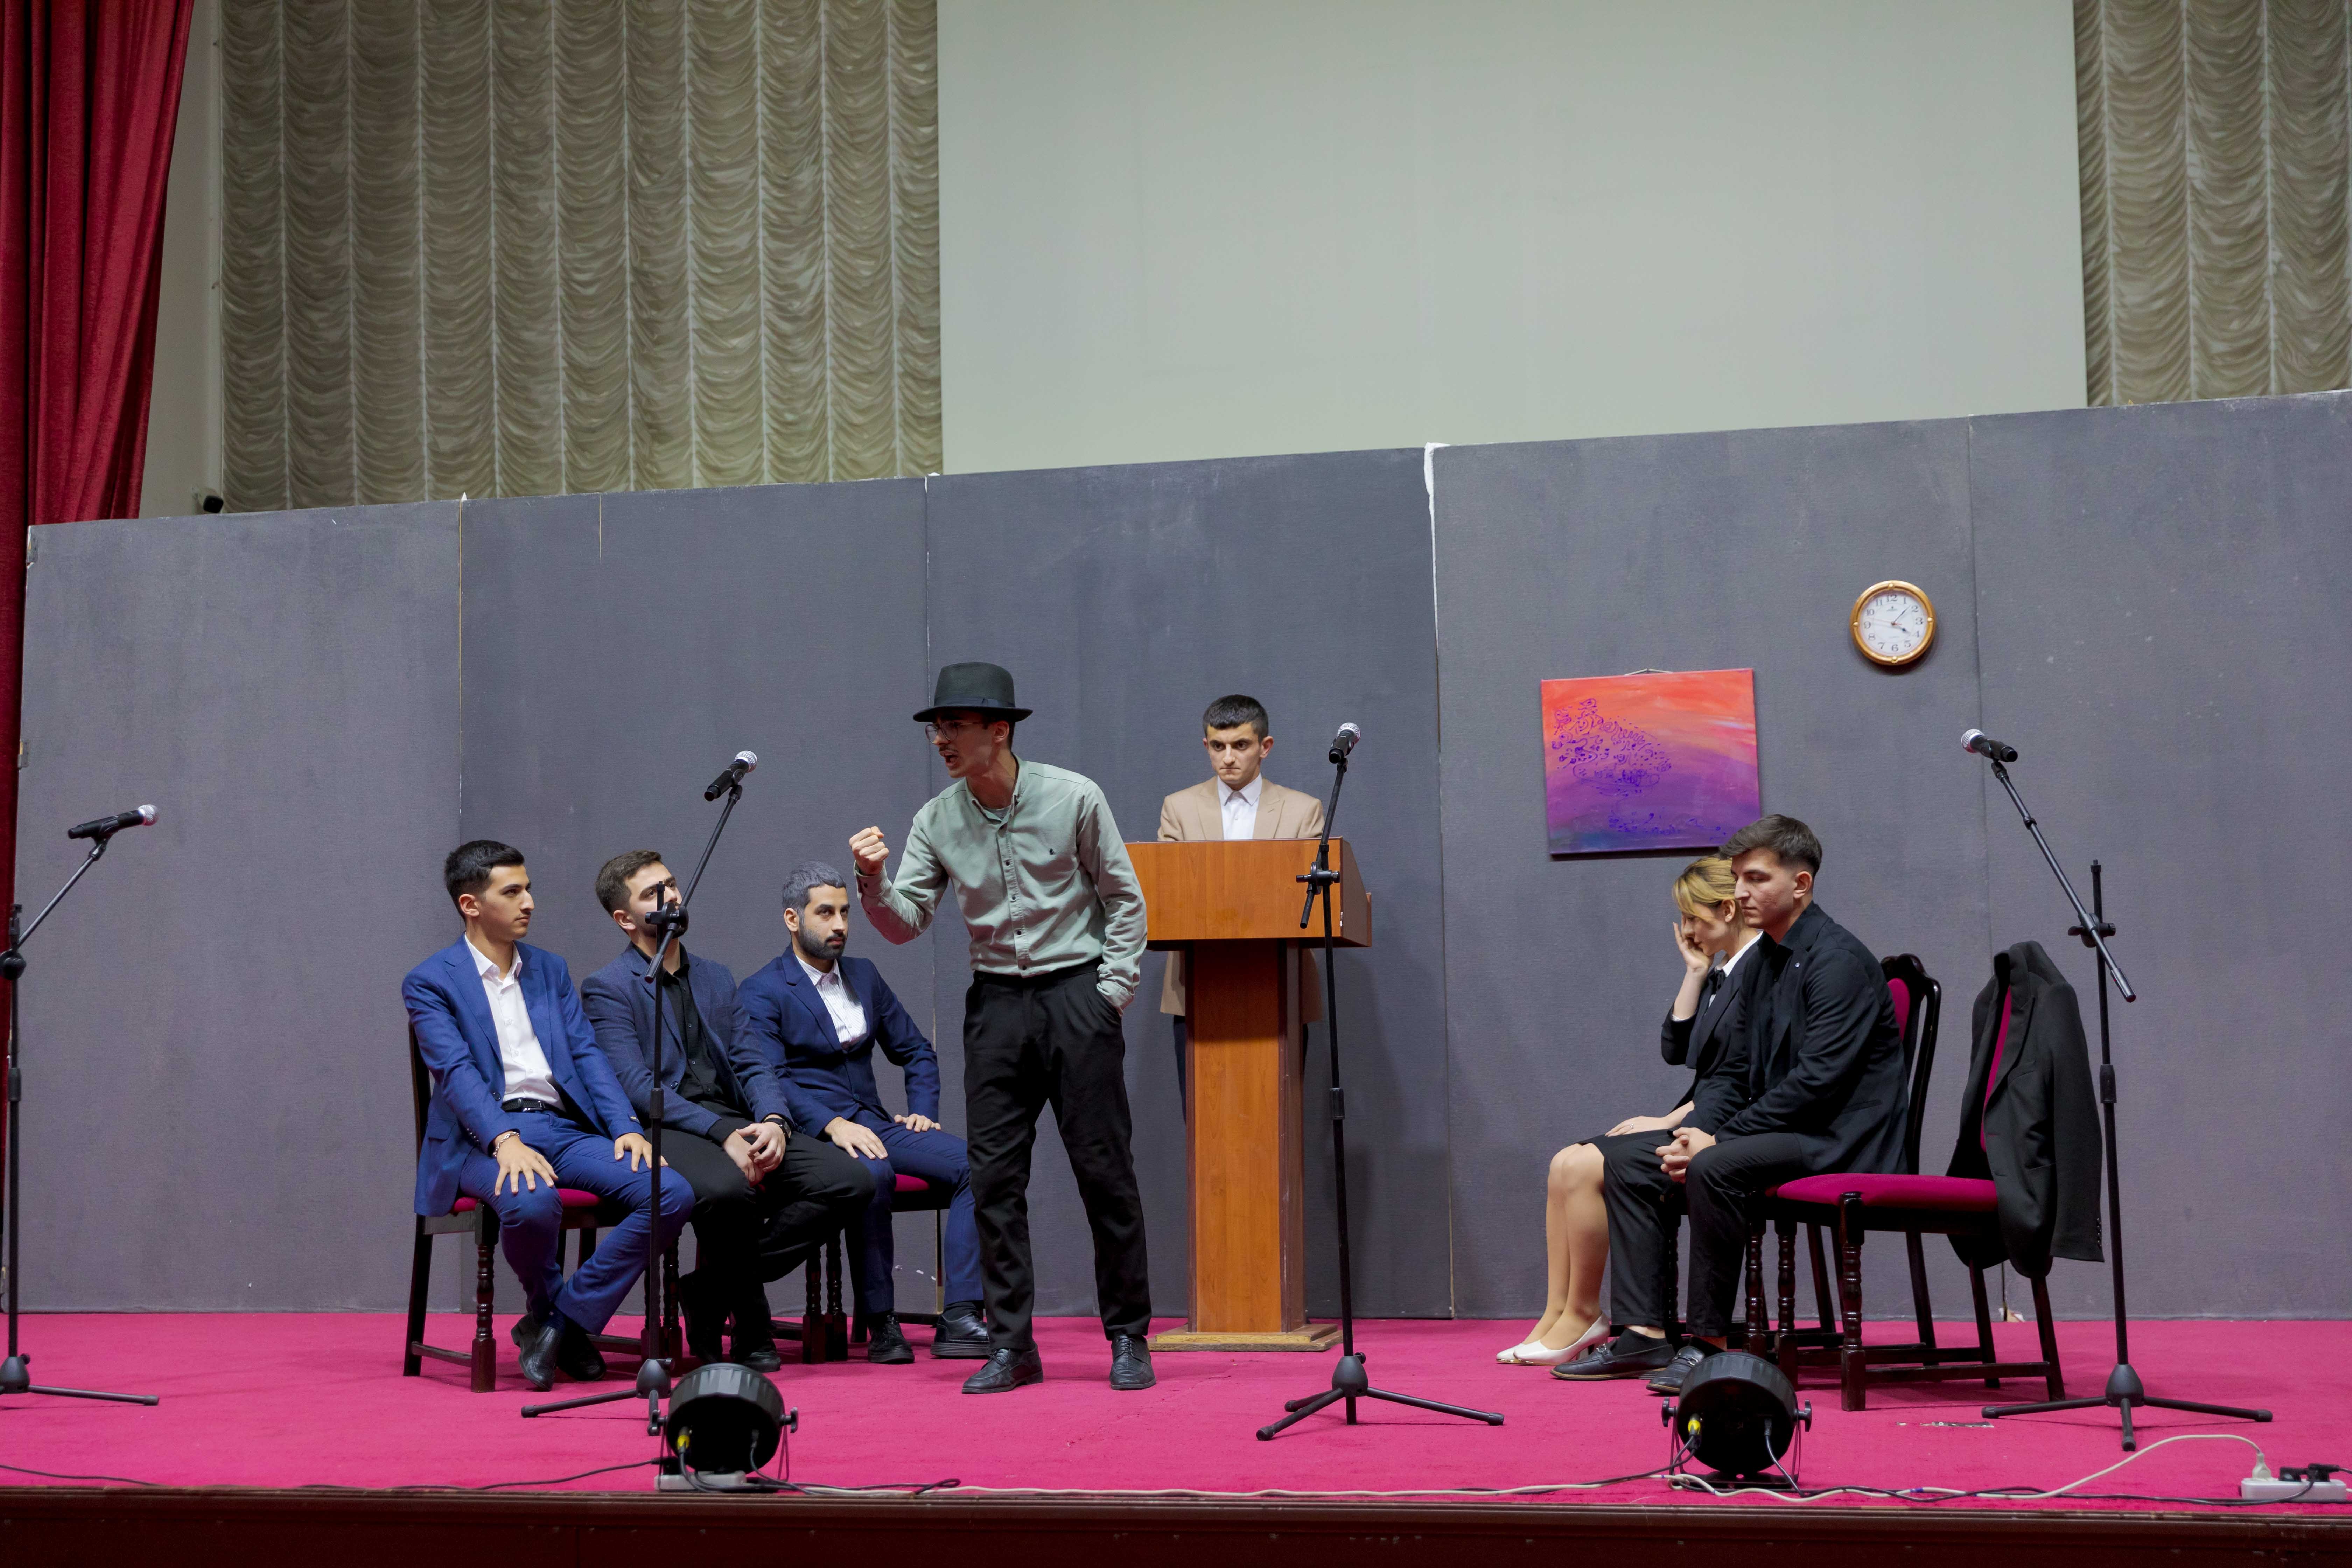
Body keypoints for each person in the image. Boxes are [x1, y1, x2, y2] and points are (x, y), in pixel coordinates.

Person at [849, 660, 1155, 1394]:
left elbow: (1125, 899)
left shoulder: (1074, 796)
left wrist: (1110, 991)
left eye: (954, 726)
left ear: (1000, 730)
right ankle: (1013, 1345)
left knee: (1104, 1172)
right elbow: (906, 923)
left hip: (1076, 994)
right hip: (996, 1007)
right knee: (994, 1181)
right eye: (936, 728)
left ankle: (1128, 1336)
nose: (941, 740)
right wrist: (873, 881)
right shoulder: (936, 820)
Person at [1560, 814, 1908, 1392]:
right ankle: (1645, 1334)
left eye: (1756, 878)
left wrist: (1718, 1141)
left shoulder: (1837, 960)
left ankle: (1708, 1343)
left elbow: (1818, 1082)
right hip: (1783, 1129)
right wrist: (1693, 1132)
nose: (1741, 892)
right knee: (1631, 1160)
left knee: (1715, 1166)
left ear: (1801, 884)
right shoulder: (1766, 958)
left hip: (1839, 1138)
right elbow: (1734, 1071)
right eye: (1739, 878)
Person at [404, 840, 691, 1392]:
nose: (529, 902)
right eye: (512, 892)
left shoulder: (549, 970)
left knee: (669, 1192)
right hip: (479, 1138)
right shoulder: (430, 981)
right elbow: (456, 1073)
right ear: (471, 905)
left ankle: (558, 1324)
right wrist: (504, 1140)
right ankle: (555, 1316)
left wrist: (626, 1128)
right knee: (533, 1201)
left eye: (529, 888)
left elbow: (588, 1056)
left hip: (562, 1127)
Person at [580, 850, 873, 1371]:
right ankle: (752, 1330)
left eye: (672, 884)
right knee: (727, 1190)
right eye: (653, 894)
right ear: (625, 919)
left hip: (735, 1118)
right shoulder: (610, 987)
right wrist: (721, 1133)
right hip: (667, 1126)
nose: (672, 897)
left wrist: (775, 1121)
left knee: (851, 1180)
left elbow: (753, 1062)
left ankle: (709, 1290)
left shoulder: (716, 977)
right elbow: (636, 1086)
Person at [1496, 856, 1760, 1367]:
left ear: (1728, 910)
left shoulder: (1758, 971)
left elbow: (1741, 1077)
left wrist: (1670, 1120)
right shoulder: (1722, 972)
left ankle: (1585, 1314)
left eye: (1693, 917)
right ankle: (1558, 1312)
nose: (1687, 931)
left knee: (1584, 1165)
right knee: (1564, 1162)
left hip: (1726, 1127)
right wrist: (1695, 974)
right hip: (1703, 1110)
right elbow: (1677, 1049)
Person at [735, 861, 988, 1364]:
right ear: (793, 919)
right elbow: (771, 1077)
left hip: (874, 1122)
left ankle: (961, 1313)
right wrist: (832, 1124)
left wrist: (922, 1111)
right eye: (825, 913)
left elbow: (916, 1050)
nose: (840, 925)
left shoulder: (865, 975)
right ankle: (882, 1322)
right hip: (812, 1133)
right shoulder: (762, 989)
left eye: (845, 913)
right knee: (873, 1174)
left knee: (979, 1166)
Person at [1156, 694, 1325, 1108]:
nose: (1228, 757)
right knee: (1204, 1115)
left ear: (1265, 747)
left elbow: (1305, 902)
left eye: (1241, 745)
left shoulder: (1303, 810)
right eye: (1218, 746)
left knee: (1276, 1115)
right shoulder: (1178, 808)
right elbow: (1168, 894)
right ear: (1206, 746)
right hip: (1199, 983)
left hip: (1279, 981)